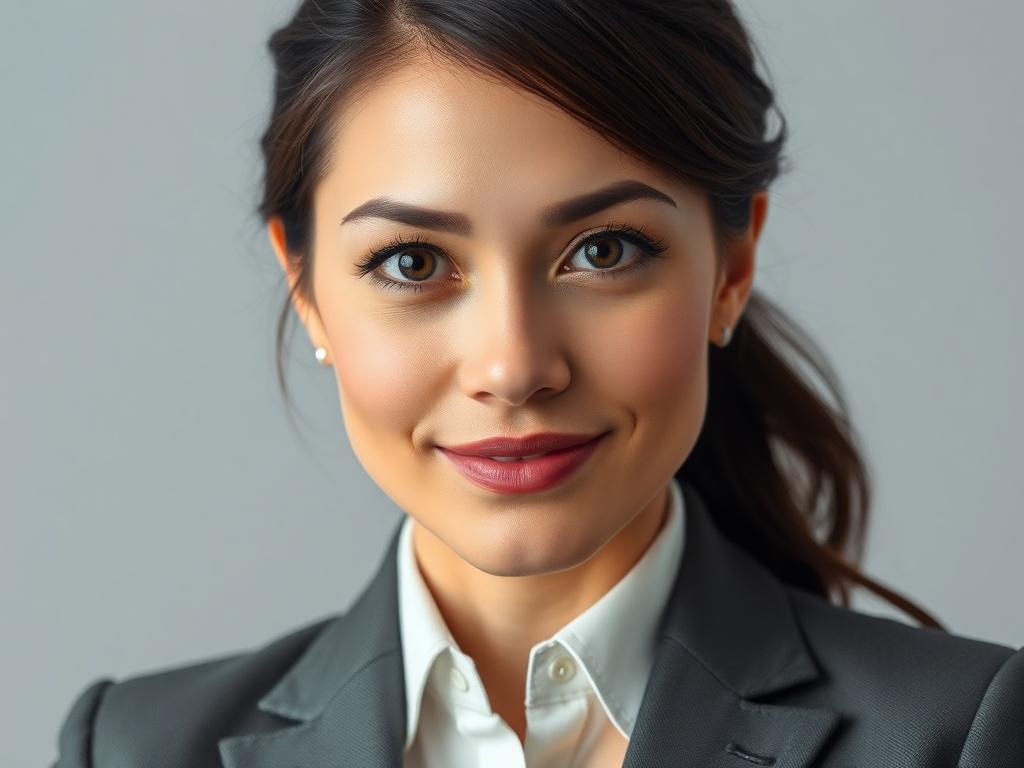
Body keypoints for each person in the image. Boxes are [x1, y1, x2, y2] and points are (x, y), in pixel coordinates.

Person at [52, 1, 1023, 766]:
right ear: (306, 288)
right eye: (412, 264)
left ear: (731, 267)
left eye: (602, 250)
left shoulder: (955, 740)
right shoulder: (134, 751)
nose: (513, 367)